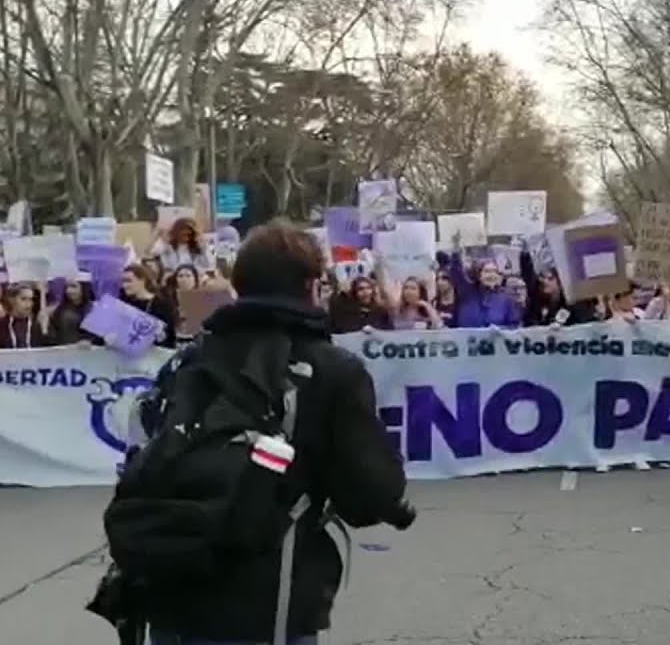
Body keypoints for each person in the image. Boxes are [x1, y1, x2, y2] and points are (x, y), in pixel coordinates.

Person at [122, 220, 413, 644]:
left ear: (240, 286)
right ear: (313, 286)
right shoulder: (332, 369)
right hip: (268, 596)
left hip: (173, 584)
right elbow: (370, 495)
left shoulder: (188, 361)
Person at [519, 252, 596, 326]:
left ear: (560, 282)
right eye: (542, 278)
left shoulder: (575, 304)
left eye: (550, 278)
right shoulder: (536, 305)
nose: (544, 281)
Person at [119, 265, 178, 349]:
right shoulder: (125, 303)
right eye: (123, 281)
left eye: (129, 281)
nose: (125, 285)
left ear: (142, 280)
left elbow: (168, 334)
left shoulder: (162, 304)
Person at [0, 283, 50, 349]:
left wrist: (45, 332)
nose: (28, 304)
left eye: (31, 299)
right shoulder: (2, 325)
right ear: (11, 300)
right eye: (23, 299)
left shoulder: (37, 325)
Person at [48, 279, 97, 346]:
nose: (69, 290)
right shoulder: (61, 308)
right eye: (67, 287)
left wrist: (89, 341)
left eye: (73, 286)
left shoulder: (93, 309)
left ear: (84, 288)